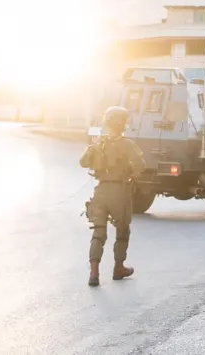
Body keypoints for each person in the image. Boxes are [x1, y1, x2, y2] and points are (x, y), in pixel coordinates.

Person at [79, 106, 146, 287]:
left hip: (100, 192)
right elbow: (141, 165)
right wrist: (130, 173)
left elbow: (83, 162)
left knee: (98, 233)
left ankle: (94, 273)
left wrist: (93, 147)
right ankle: (118, 267)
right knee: (122, 231)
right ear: (123, 124)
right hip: (119, 191)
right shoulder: (127, 144)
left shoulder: (98, 143)